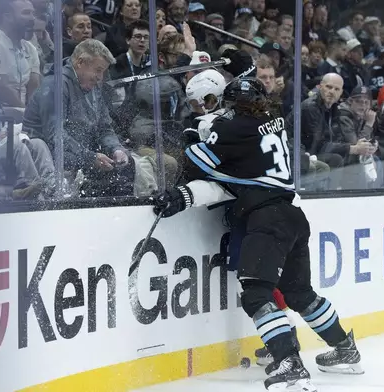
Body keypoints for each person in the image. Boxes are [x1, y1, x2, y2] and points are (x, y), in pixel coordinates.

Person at [152, 77, 364, 391]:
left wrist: (190, 144)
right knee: (299, 293)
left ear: (230, 103)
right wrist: (186, 193)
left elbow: (196, 164)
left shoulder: (233, 129)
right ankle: (345, 348)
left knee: (255, 294)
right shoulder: (273, 122)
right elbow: (238, 173)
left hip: (265, 218)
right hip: (292, 215)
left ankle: (289, 363)